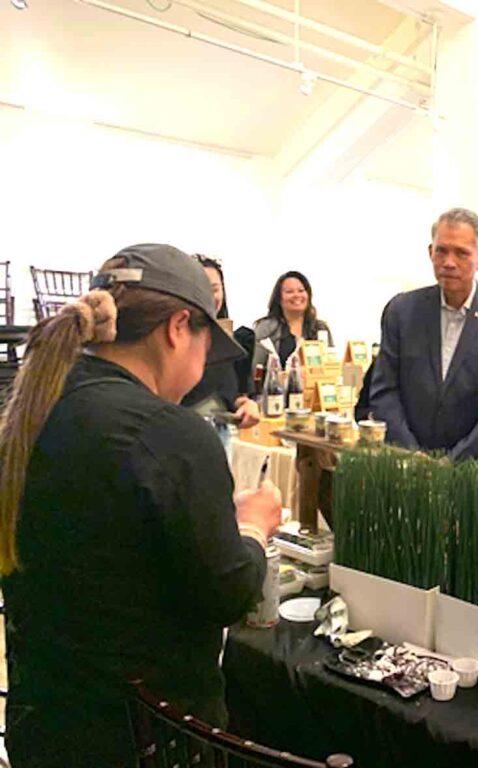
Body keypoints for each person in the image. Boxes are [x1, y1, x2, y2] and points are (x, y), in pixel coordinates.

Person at [0, 244, 282, 768]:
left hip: (44, 722)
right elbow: (229, 592)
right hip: (145, 740)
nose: (202, 370)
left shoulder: (34, 408)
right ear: (178, 327)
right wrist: (253, 528)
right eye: (205, 347)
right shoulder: (169, 433)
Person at [369, 207, 478, 462]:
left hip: (469, 472)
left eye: (461, 253)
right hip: (404, 463)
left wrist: (453, 462)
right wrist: (411, 453)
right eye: (441, 250)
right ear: (430, 252)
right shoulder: (402, 311)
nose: (449, 262)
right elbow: (384, 390)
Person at [181, 254, 261, 427]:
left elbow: (234, 396)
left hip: (221, 435)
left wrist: (247, 406)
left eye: (215, 289)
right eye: (201, 289)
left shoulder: (234, 341)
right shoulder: (170, 342)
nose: (209, 297)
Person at [252, 270, 333, 373]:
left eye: (301, 290)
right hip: (275, 388)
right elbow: (255, 369)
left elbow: (330, 367)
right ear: (279, 298)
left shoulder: (321, 328)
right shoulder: (266, 328)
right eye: (289, 292)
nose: (296, 295)